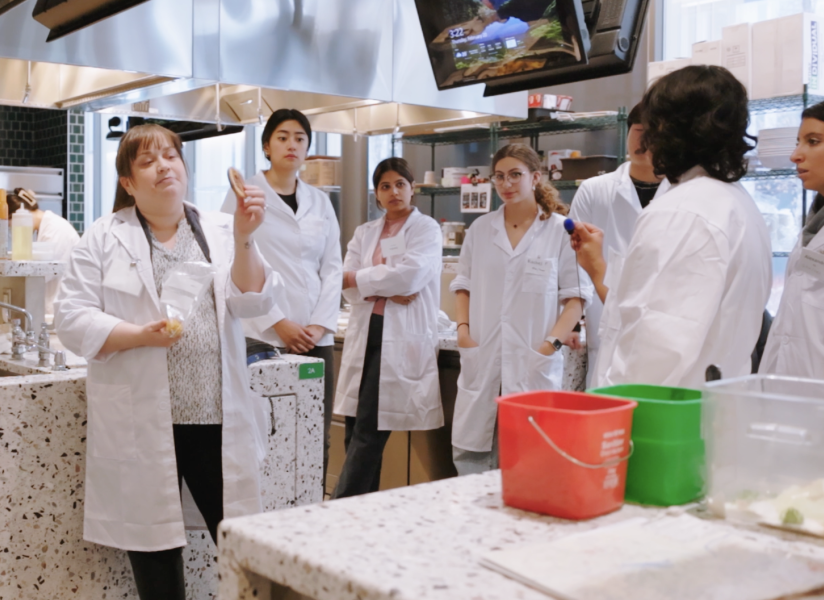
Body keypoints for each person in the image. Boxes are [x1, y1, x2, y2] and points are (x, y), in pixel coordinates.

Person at [55, 124, 276, 599]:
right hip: (142, 422)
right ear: (129, 183)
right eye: (148, 161)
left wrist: (245, 238)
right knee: (155, 552)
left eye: (172, 156)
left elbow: (252, 301)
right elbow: (71, 318)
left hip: (214, 418)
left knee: (242, 542)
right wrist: (137, 336)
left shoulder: (220, 229)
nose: (164, 167)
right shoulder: (102, 237)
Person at [592, 65, 771, 388]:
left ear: (669, 128)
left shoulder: (682, 211)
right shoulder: (736, 202)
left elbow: (654, 346)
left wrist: (613, 418)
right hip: (714, 407)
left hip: (666, 418)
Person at [220, 108, 342, 487]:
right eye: (283, 137)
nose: (293, 144)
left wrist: (319, 324)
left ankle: (310, 517)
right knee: (265, 434)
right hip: (263, 337)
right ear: (266, 146)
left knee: (314, 435)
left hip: (314, 338)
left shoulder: (319, 202)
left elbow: (332, 266)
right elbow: (231, 261)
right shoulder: (243, 196)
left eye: (300, 138)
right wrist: (278, 322)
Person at [450, 143, 586, 475]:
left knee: (530, 463)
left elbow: (576, 299)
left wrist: (549, 345)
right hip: (482, 353)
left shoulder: (559, 230)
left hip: (533, 360)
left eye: (515, 175)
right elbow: (462, 285)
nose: (506, 184)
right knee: (471, 459)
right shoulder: (481, 229)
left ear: (535, 178)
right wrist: (463, 332)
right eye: (499, 177)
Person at [334, 158, 443, 498]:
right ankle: (363, 512)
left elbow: (410, 277)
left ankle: (339, 511)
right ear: (377, 194)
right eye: (385, 186)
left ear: (412, 188)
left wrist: (364, 281)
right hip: (367, 331)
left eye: (400, 184)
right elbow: (345, 282)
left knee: (367, 430)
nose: (394, 192)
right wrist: (383, 286)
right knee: (355, 429)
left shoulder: (426, 229)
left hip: (401, 337)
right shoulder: (365, 232)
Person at [568, 102, 668, 388]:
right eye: (638, 130)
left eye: (655, 133)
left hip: (659, 329)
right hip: (604, 327)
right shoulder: (595, 190)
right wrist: (572, 321)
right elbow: (570, 264)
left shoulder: (681, 194)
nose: (644, 141)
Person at [759, 98, 824, 377]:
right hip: (796, 396)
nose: (795, 155)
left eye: (813, 141)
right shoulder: (816, 221)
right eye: (798, 142)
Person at [6, 187, 81, 317]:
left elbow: (43, 272)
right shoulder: (45, 228)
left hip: (62, 308)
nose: (13, 229)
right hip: (53, 307)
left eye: (10, 224)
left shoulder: (55, 229)